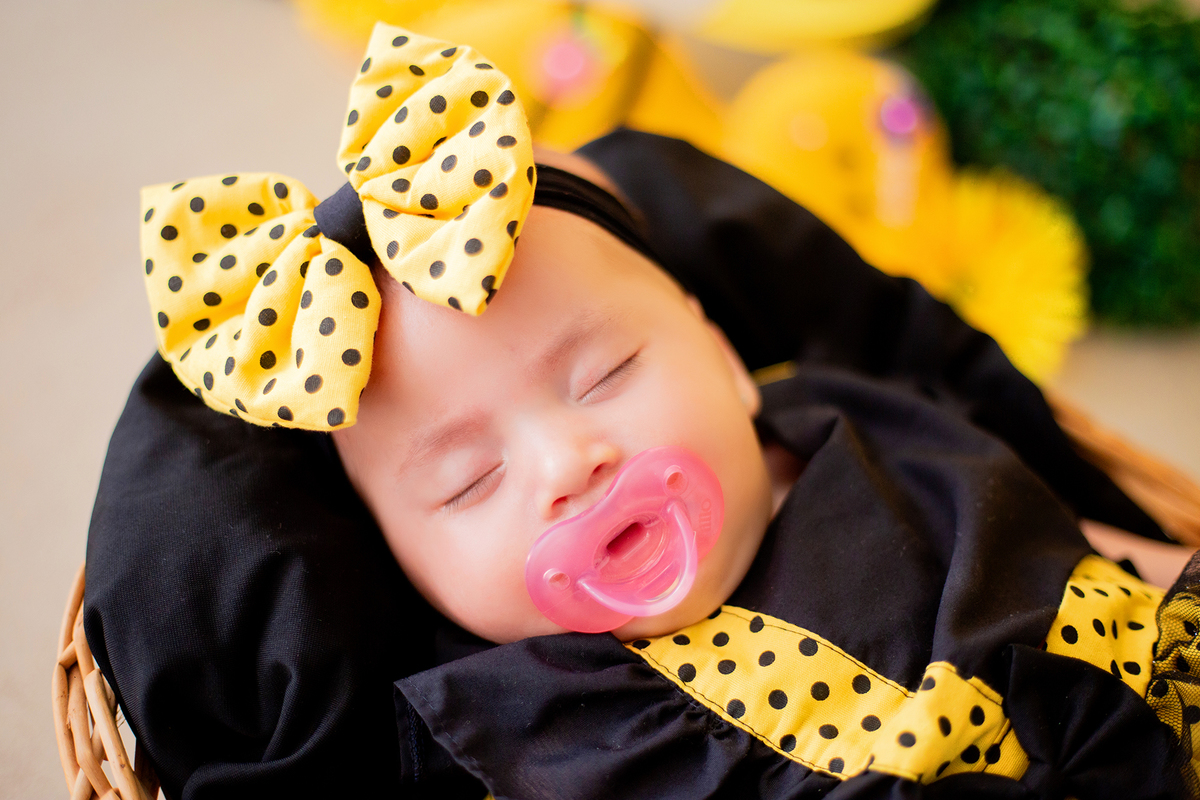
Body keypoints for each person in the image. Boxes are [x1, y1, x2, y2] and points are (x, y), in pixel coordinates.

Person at [92, 23, 1200, 799]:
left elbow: (1074, 534)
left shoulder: (849, 418)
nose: (568, 462)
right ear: (398, 562)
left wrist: (1157, 566)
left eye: (606, 372)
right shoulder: (482, 716)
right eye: (467, 480)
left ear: (718, 344)